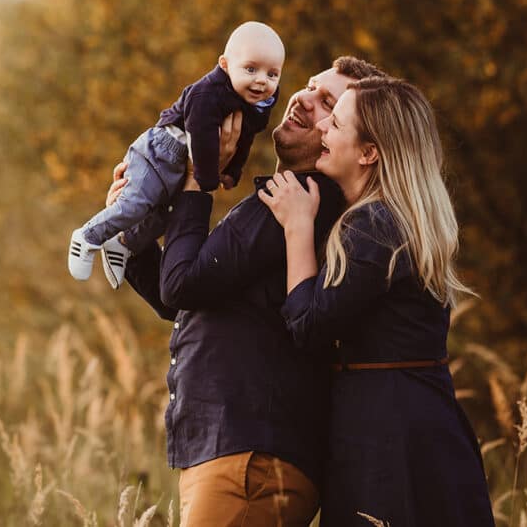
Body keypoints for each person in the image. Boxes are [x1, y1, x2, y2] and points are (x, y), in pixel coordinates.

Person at [114, 57, 387, 525]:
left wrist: (199, 179)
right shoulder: (287, 203)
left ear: (348, 136)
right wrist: (131, 230)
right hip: (240, 459)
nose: (303, 98)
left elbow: (182, 285)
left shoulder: (302, 200)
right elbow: (186, 297)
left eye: (328, 104)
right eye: (308, 87)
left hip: (251, 463)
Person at [259, 76, 495, 526]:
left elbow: (308, 325)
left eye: (337, 122)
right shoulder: (393, 218)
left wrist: (297, 226)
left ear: (369, 153)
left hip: (389, 436)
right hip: (413, 421)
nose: (323, 127)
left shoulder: (372, 225)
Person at [69, 21, 284, 289]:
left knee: (166, 216)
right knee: (136, 204)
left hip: (187, 161)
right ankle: (86, 237)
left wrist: (232, 171)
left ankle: (123, 244)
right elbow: (200, 133)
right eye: (250, 69)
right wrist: (206, 178)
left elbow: (245, 138)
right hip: (162, 150)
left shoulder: (259, 104)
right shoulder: (208, 92)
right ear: (225, 65)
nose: (262, 80)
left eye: (272, 74)